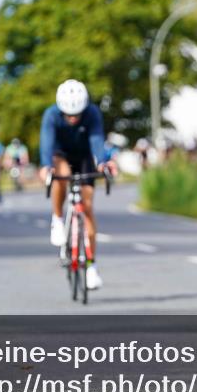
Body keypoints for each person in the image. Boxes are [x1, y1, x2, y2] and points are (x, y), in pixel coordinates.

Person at [38, 80, 118, 290]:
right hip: (60, 155)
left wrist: (101, 162)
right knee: (61, 174)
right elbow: (46, 142)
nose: (73, 118)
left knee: (88, 206)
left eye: (77, 114)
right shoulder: (51, 115)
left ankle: (91, 266)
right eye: (68, 114)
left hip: (84, 158)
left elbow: (96, 139)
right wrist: (46, 166)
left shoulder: (91, 113)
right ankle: (57, 219)